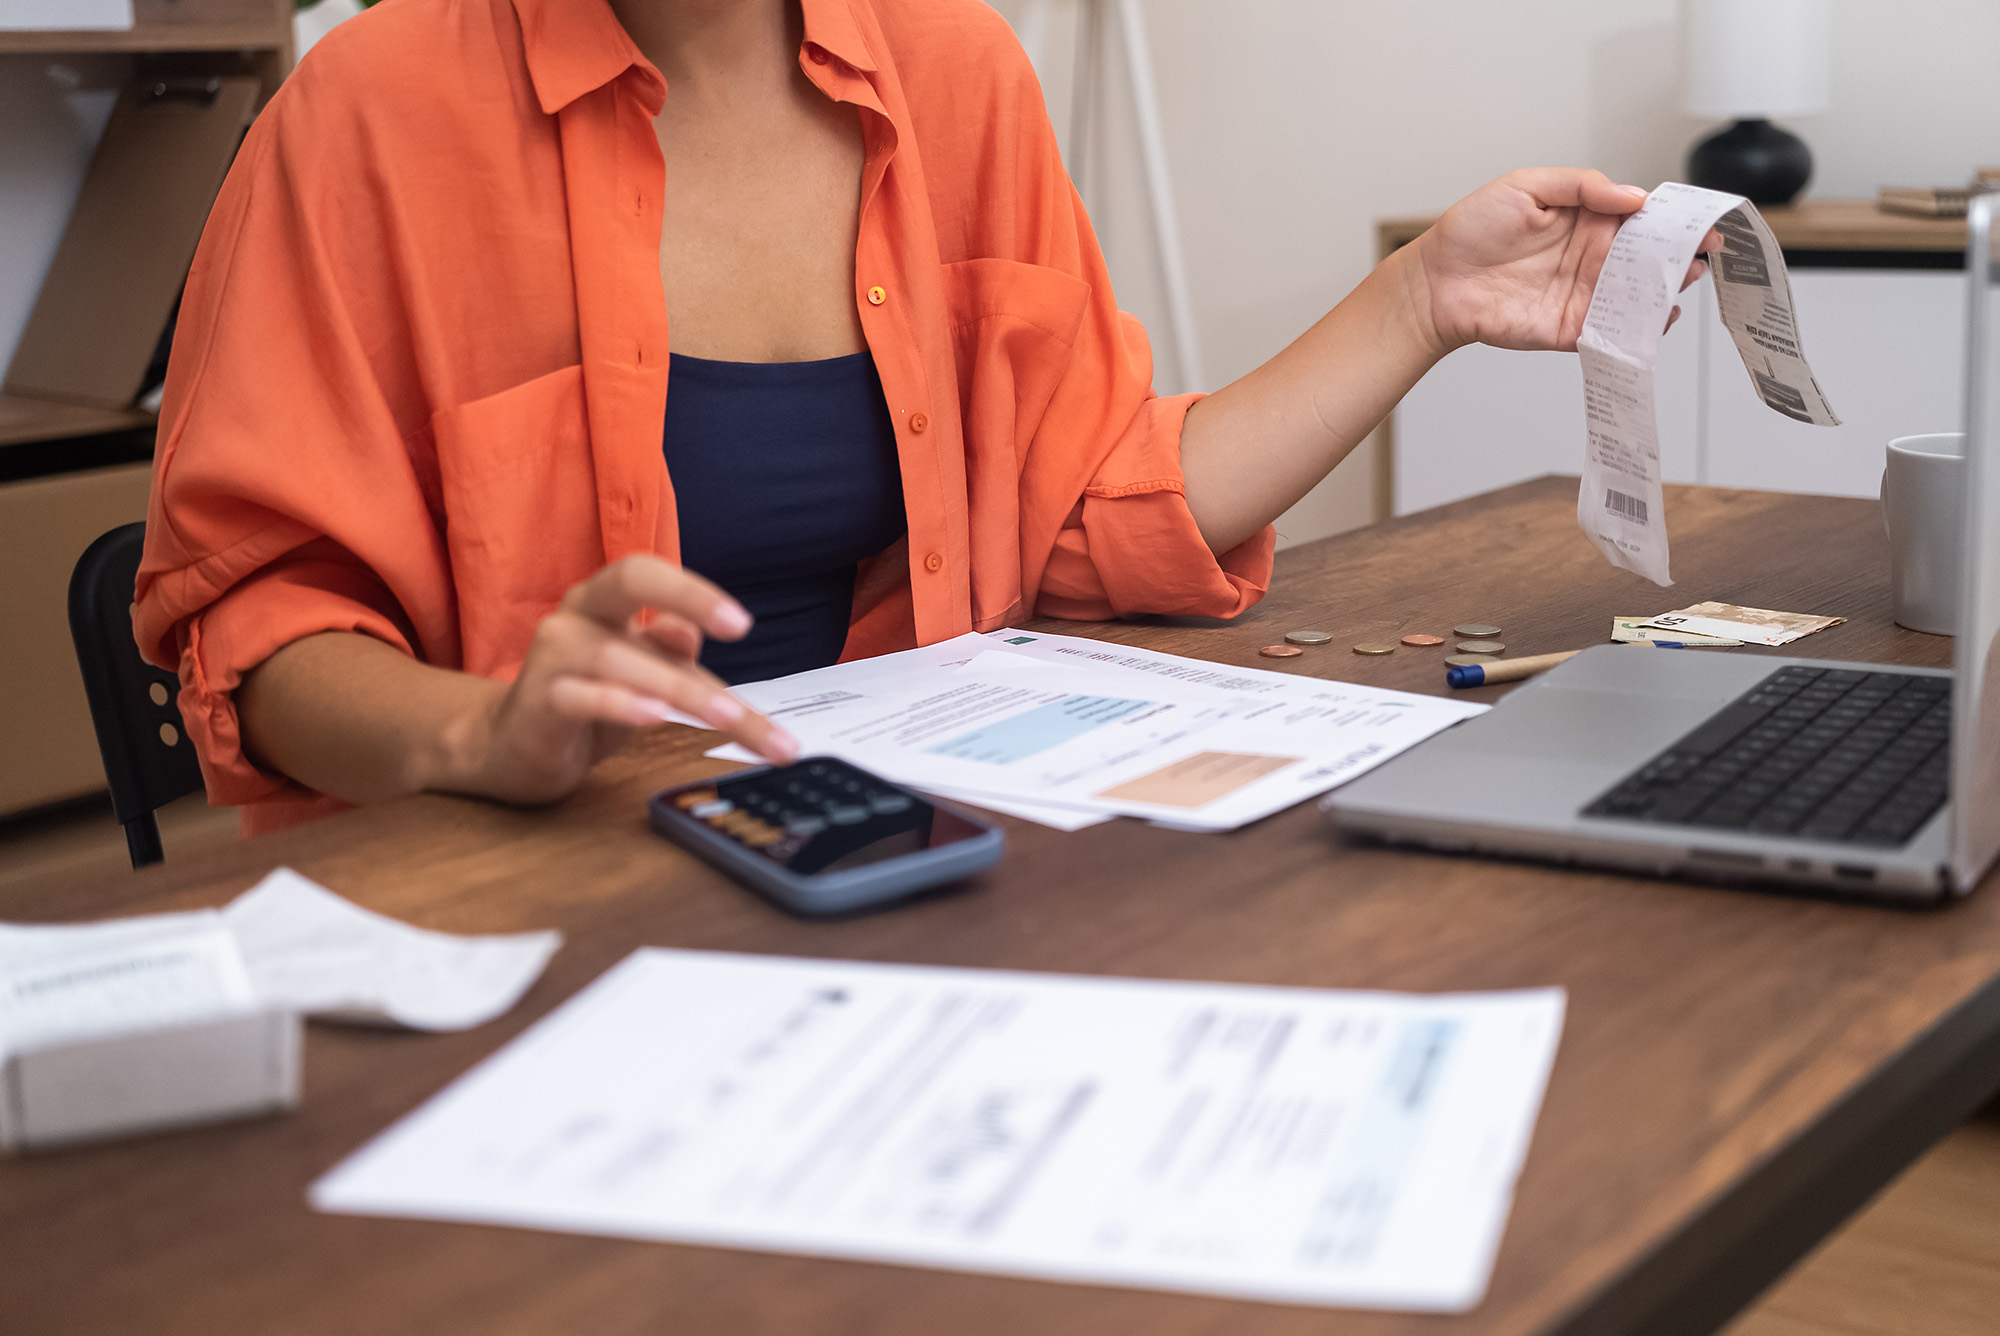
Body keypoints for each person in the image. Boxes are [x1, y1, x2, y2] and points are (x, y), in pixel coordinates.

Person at [134, 0, 1708, 833]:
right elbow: (264, 639)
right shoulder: (363, 111)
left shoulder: (955, 71)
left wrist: (1424, 298)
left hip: (906, 852)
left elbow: (1091, 503)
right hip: (523, 891)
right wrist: (484, 733)